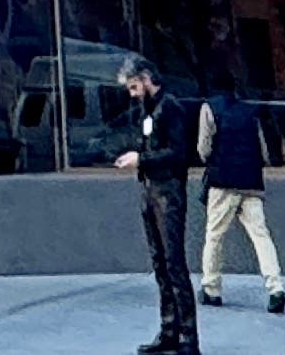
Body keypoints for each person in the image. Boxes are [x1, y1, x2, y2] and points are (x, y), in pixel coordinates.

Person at [109, 58, 199, 355]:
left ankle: (188, 336)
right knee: (160, 263)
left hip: (168, 191)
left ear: (146, 78)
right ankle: (169, 329)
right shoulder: (148, 109)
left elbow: (179, 153)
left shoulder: (169, 107)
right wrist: (140, 158)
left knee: (173, 263)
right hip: (151, 189)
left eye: (134, 86)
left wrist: (142, 159)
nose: (132, 94)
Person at [194, 76, 284, 315]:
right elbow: (262, 147)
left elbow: (203, 148)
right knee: (261, 235)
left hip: (222, 182)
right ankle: (276, 287)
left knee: (215, 235)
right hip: (251, 181)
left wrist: (211, 160)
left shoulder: (209, 107)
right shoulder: (249, 108)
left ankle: (211, 288)